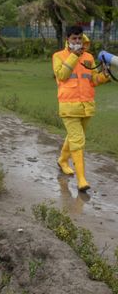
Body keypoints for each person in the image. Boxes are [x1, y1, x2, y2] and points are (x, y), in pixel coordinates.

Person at [52, 25, 110, 191]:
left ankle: (63, 160)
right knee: (78, 141)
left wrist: (104, 76)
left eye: (79, 38)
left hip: (86, 106)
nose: (77, 41)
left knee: (73, 137)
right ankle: (82, 180)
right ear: (67, 40)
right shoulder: (58, 56)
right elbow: (61, 76)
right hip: (68, 107)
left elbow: (92, 81)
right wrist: (73, 57)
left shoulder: (89, 58)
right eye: (74, 39)